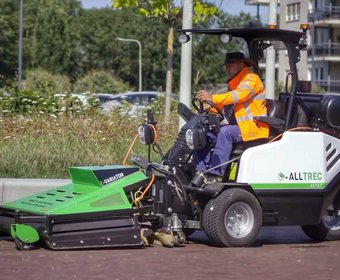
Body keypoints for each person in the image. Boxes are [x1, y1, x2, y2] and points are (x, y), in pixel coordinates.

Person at [194, 52, 269, 180]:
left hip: (255, 128)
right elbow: (225, 106)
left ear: (241, 64)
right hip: (240, 128)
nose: (227, 69)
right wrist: (209, 108)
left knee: (225, 132)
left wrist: (213, 97)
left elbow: (240, 95)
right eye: (226, 66)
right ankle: (201, 172)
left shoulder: (252, 79)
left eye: (230, 65)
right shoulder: (234, 84)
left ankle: (216, 175)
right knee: (206, 131)